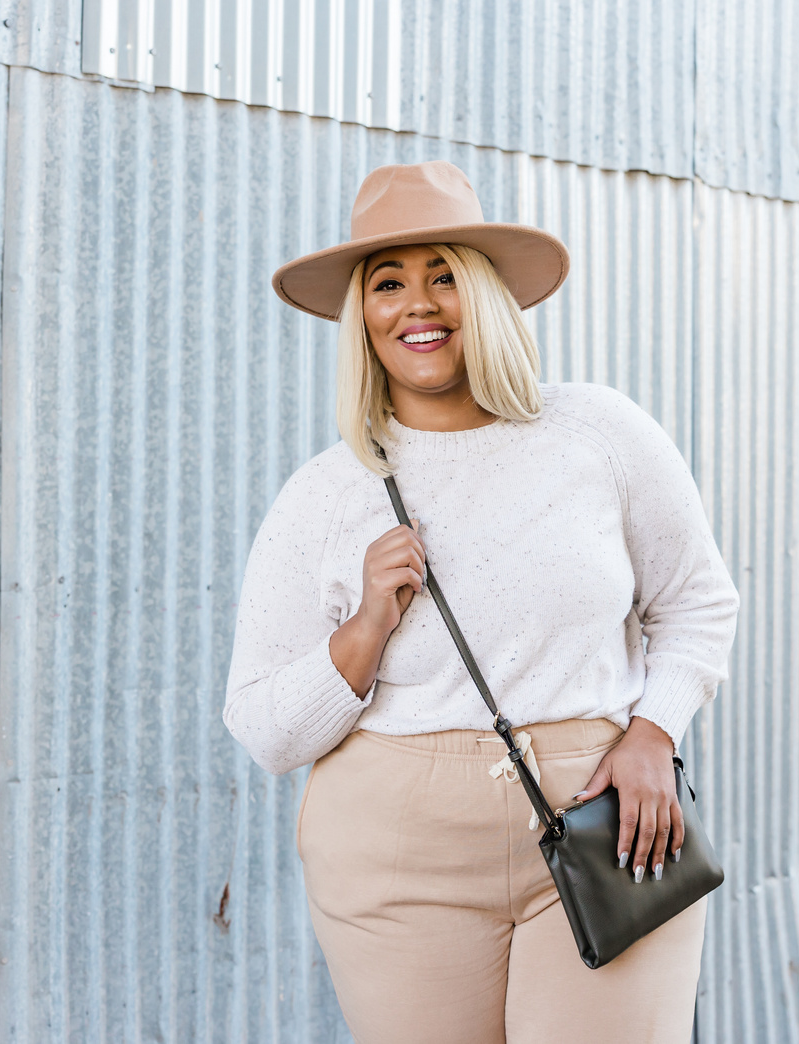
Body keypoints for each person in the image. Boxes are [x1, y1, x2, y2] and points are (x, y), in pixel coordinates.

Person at [222, 160, 740, 1043]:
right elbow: (266, 730)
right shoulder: (324, 495)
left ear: (487, 296)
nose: (417, 305)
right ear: (363, 318)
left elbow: (697, 603)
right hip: (393, 859)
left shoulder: (599, 434)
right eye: (388, 283)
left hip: (603, 823)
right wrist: (367, 627)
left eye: (445, 277)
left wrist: (656, 731)